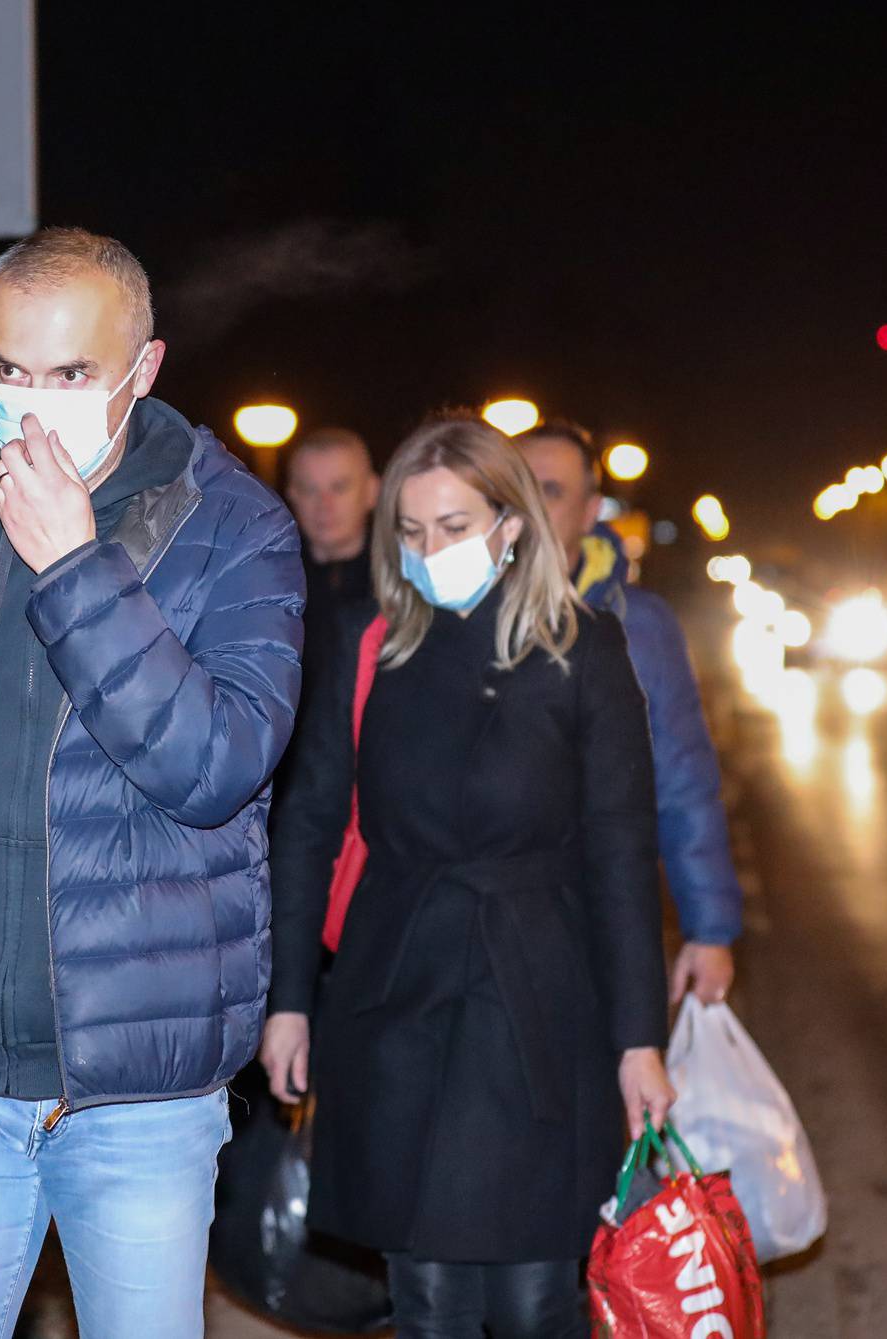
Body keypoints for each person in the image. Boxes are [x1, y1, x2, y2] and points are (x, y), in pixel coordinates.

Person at [0, 226, 305, 1338]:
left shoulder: (235, 529)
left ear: (145, 368)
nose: (33, 406)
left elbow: (216, 766)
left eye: (73, 375)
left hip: (141, 1090)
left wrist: (76, 569)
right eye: (7, 371)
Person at [261, 414, 673, 1339]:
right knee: (430, 1303)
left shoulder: (584, 651)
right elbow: (310, 824)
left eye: (452, 527)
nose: (428, 550)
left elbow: (620, 846)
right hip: (394, 997)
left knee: (534, 1305)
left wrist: (639, 1039)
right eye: (409, 532)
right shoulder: (372, 647)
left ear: (511, 523)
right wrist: (289, 999)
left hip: (540, 1010)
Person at [518, 419, 743, 1004]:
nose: (534, 506)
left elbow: (683, 777)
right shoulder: (459, 614)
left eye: (553, 490)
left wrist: (709, 929)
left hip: (600, 916)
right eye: (518, 485)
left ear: (592, 511)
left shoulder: (638, 625)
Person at [284, 427, 381, 630]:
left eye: (339, 487)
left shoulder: (406, 584)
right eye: (310, 489)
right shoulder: (266, 586)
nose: (324, 505)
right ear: (292, 495)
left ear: (372, 491)